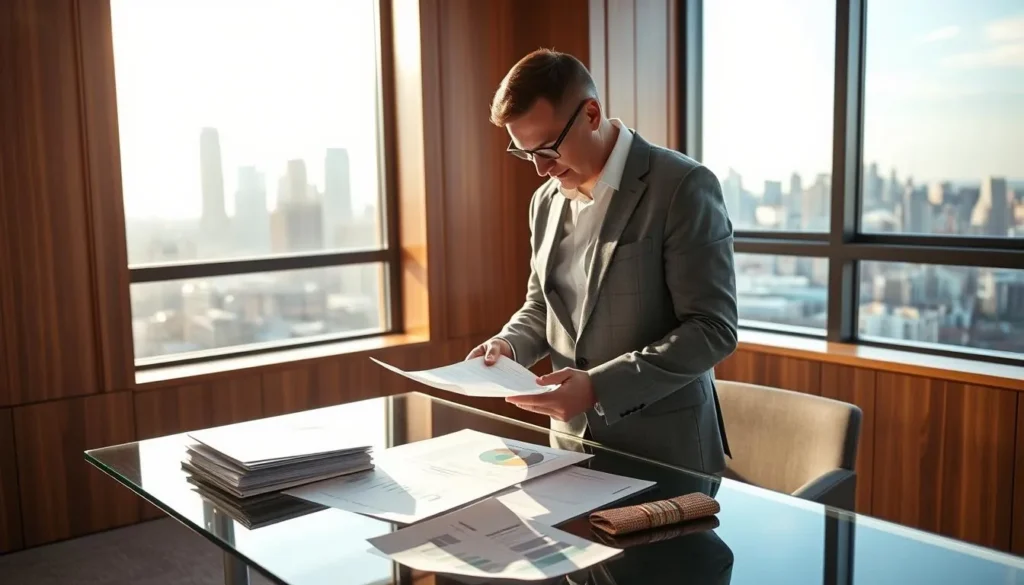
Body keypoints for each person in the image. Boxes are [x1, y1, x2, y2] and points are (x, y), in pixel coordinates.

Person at [466, 48, 737, 474]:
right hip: (571, 449)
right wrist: (507, 345)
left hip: (666, 453)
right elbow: (542, 307)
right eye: (526, 153)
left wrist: (598, 388)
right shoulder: (544, 203)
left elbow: (713, 329)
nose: (540, 169)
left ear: (591, 114)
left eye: (549, 148)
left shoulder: (682, 186)